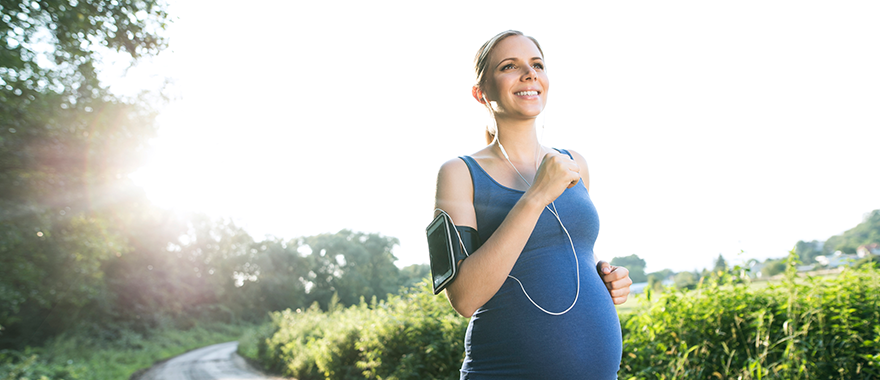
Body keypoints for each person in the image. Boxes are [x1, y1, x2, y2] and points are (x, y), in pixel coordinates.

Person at [433, 30, 633, 379]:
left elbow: (564, 255)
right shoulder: (459, 173)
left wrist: (607, 277)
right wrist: (537, 195)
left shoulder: (574, 164)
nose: (530, 74)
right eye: (510, 66)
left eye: (537, 65)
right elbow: (463, 298)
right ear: (480, 93)